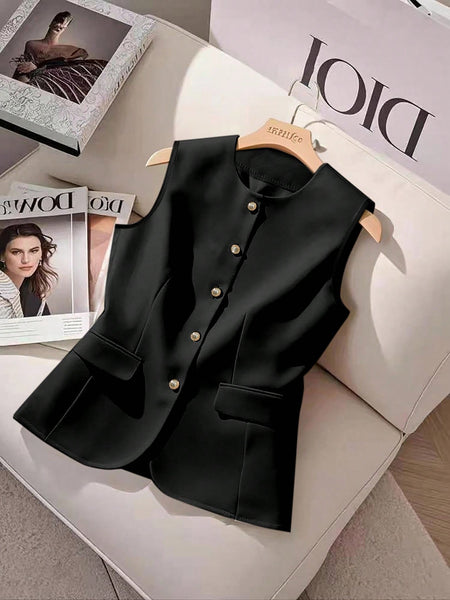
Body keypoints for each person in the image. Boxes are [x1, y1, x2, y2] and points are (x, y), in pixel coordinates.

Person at [11, 11, 107, 103]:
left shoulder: (68, 51)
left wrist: (38, 67)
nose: (60, 25)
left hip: (49, 84)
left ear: (65, 28)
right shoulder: (31, 44)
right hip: (29, 80)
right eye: (59, 21)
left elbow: (67, 70)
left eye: (64, 25)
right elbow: (23, 68)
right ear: (51, 23)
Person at [0, 222, 58, 319]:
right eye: (16, 252)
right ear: (2, 256)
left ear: (41, 254)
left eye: (33, 251)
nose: (26, 260)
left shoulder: (34, 293)